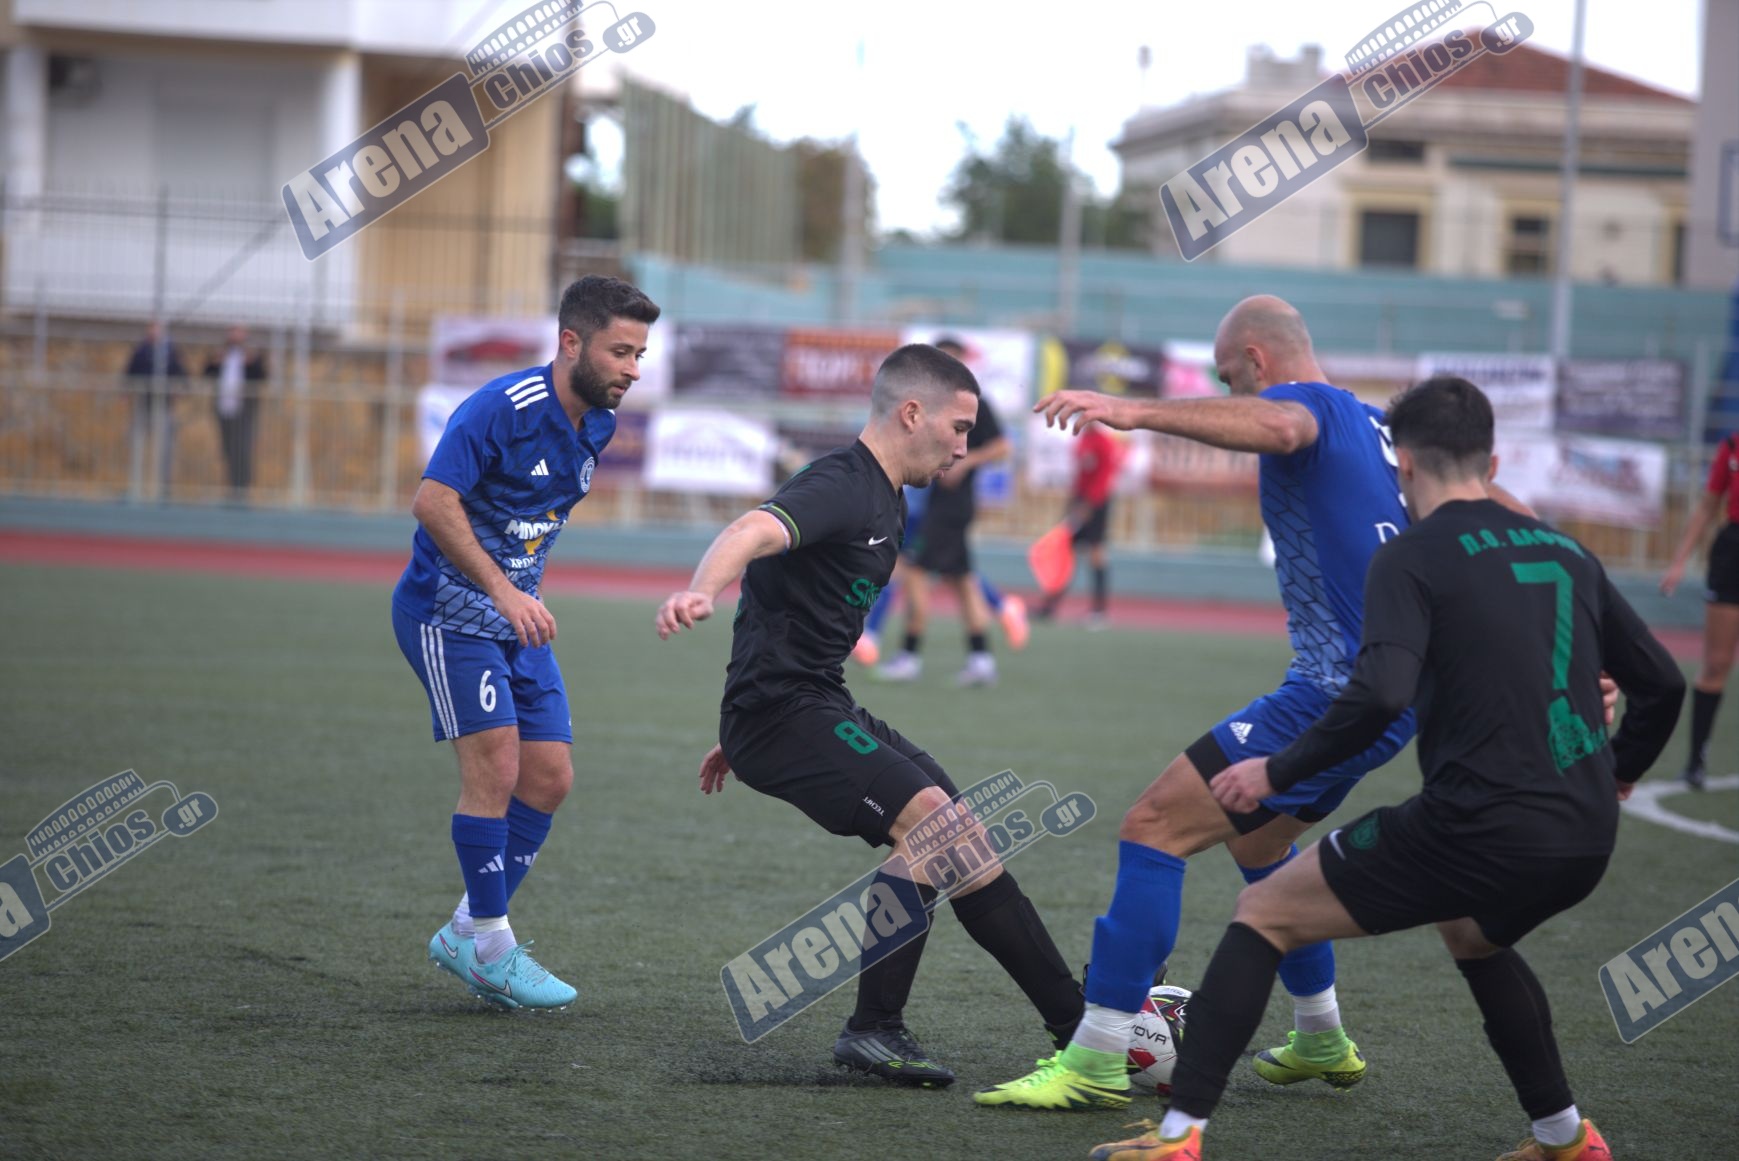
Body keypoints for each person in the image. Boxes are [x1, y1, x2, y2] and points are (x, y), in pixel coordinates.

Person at [1095, 376, 1684, 1161]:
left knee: (1262, 911)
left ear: (1401, 464)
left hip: (1474, 823)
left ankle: (1177, 1140)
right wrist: (1617, 773)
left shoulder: (1409, 555)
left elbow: (1378, 693)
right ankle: (1564, 1137)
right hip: (1584, 830)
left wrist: (1275, 772)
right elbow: (1662, 683)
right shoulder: (1564, 551)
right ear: (1492, 462)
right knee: (1473, 935)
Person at [655, 343, 1084, 1086]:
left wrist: (746, 725)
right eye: (958, 427)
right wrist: (701, 591)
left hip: (805, 705)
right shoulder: (843, 485)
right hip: (782, 713)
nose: (965, 446)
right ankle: (878, 1029)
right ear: (911, 413)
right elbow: (750, 532)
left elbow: (786, 610)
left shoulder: (890, 495)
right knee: (934, 825)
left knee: (960, 833)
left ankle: (1076, 1025)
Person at [391, 276, 660, 1009]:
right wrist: (503, 589)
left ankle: (464, 931)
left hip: (516, 620)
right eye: (620, 352)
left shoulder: (597, 424)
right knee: (498, 768)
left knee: (549, 778)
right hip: (448, 612)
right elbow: (432, 501)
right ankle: (491, 945)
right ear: (571, 342)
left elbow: (527, 521)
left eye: (639, 355)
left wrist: (520, 592)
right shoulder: (500, 408)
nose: (633, 369)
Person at [878, 337, 1012, 687]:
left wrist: (967, 464)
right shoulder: (935, 405)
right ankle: (981, 659)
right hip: (943, 505)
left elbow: (1002, 447)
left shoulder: (975, 404)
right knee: (963, 581)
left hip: (951, 508)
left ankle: (908, 656)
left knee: (915, 572)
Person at [1659, 431, 1739, 789]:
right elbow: (1708, 505)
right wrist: (1679, 562)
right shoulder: (1732, 446)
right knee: (1716, 663)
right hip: (1732, 554)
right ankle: (1696, 762)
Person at [1035, 418, 1124, 626]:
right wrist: (1073, 504)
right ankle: (1050, 606)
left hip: (1096, 504)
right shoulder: (1084, 439)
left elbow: (1104, 478)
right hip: (1080, 501)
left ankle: (1099, 610)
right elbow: (1081, 475)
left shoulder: (1104, 442)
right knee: (1065, 551)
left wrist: (1089, 505)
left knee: (1096, 552)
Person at [203, 325, 268, 500]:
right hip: (224, 408)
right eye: (233, 331)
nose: (235, 335)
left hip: (244, 409)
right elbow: (206, 373)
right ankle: (231, 487)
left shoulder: (253, 354)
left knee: (243, 449)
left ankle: (242, 489)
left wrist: (251, 362)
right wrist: (215, 361)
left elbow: (262, 376)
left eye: (239, 331)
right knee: (228, 449)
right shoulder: (220, 353)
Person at [124, 320, 187, 498]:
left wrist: (179, 389)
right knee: (137, 444)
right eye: (151, 329)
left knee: (165, 448)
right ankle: (136, 486)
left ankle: (163, 488)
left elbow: (182, 375)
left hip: (164, 406)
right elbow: (130, 372)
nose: (153, 333)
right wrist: (126, 391)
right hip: (143, 404)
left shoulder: (172, 352)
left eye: (156, 329)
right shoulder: (141, 351)